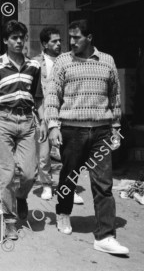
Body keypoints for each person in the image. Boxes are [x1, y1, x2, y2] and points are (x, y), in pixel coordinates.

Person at [46, 19, 129, 255]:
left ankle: (105, 236)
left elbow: (115, 96)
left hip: (102, 131)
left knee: (104, 184)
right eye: (69, 37)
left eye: (77, 37)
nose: (71, 42)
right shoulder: (63, 61)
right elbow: (53, 95)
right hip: (72, 131)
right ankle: (63, 213)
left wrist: (115, 127)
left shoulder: (107, 61)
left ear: (90, 38)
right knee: (69, 176)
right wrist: (53, 126)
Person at [0, 20, 43, 241]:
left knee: (29, 173)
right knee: (6, 176)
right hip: (3, 120)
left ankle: (21, 196)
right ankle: (9, 221)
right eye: (14, 38)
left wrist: (43, 122)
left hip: (27, 122)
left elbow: (38, 97)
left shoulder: (34, 66)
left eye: (21, 38)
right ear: (5, 40)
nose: (18, 41)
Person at [32, 27, 85, 205]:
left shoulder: (70, 60)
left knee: (70, 153)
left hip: (67, 112)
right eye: (54, 41)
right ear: (45, 44)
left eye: (60, 41)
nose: (58, 44)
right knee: (44, 152)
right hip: (44, 113)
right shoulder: (35, 63)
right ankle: (46, 184)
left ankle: (70, 188)